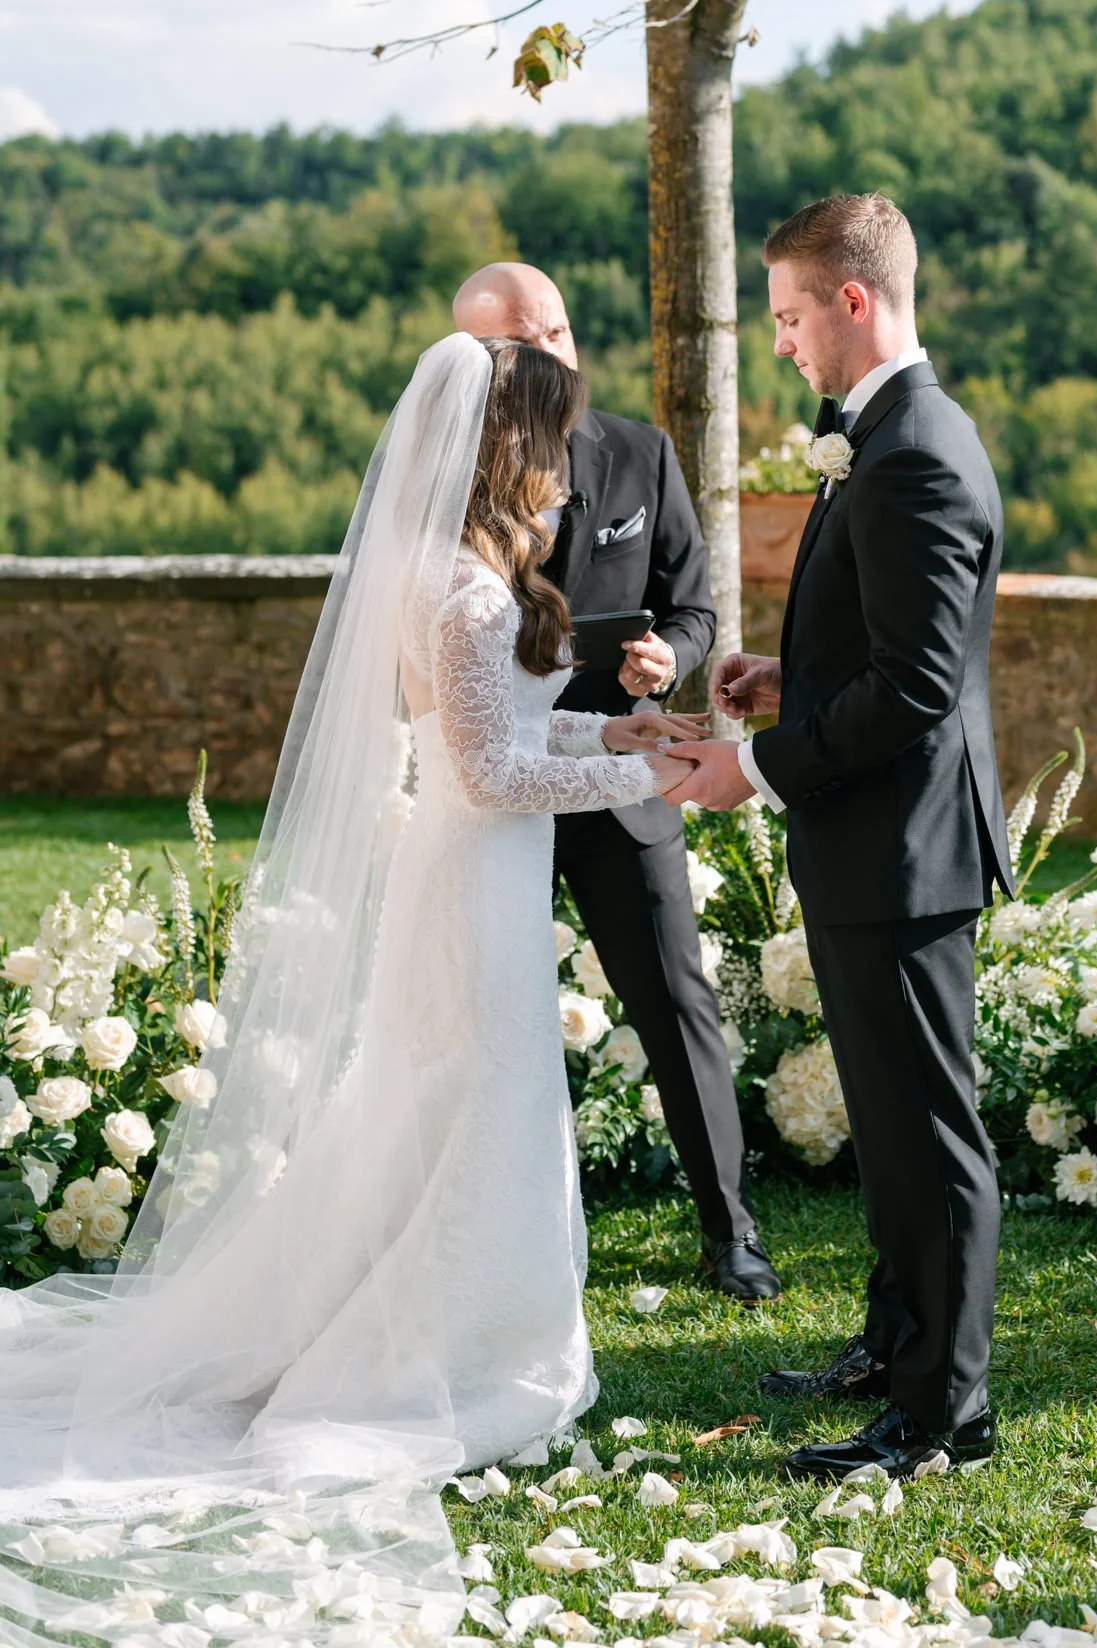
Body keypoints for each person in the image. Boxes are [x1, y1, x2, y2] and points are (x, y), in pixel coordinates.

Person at [0, 334, 698, 1629]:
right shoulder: (466, 591)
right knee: (467, 1110)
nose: (563, 473)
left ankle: (446, 1327)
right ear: (510, 447)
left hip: (468, 878)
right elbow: (487, 773)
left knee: (438, 1110)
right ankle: (440, 1353)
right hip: (470, 878)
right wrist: (648, 774)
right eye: (550, 442)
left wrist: (612, 728)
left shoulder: (458, 572)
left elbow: (487, 730)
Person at [668, 194, 1014, 1483]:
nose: (782, 344)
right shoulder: (877, 433)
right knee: (888, 1116)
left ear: (851, 303)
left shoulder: (916, 446)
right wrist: (783, 676)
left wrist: (748, 764)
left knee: (927, 1131)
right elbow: (875, 648)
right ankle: (894, 1344)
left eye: (790, 316)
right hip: (873, 838)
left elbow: (917, 687)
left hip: (901, 846)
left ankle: (942, 1414)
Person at [451, 262, 781, 1303]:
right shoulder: (442, 471)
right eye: (522, 342)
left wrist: (663, 660)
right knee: (472, 1015)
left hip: (618, 767)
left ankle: (729, 1228)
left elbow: (692, 609)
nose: (552, 355)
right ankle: (474, 1234)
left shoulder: (640, 452)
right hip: (488, 788)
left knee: (676, 1000)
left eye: (558, 331)